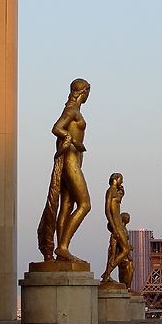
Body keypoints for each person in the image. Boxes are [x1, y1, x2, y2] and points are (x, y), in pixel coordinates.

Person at [37, 79, 92, 264]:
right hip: (70, 161)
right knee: (85, 204)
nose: (88, 96)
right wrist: (73, 140)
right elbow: (57, 128)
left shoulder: (74, 110)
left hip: (74, 160)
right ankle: (63, 246)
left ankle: (62, 250)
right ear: (82, 92)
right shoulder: (72, 110)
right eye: (87, 92)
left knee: (67, 205)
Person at [100, 174, 133, 284]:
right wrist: (113, 227)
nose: (122, 182)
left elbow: (115, 206)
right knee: (125, 250)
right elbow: (107, 210)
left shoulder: (114, 191)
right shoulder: (110, 191)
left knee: (118, 251)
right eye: (121, 179)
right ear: (115, 179)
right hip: (116, 224)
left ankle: (107, 273)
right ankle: (107, 273)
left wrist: (121, 195)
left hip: (118, 223)